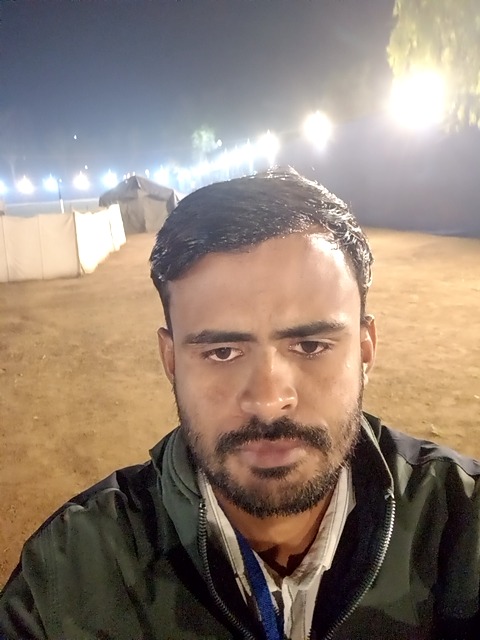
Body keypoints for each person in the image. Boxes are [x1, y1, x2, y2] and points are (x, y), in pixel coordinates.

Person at [0, 168, 479, 640]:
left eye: (311, 345)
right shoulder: (66, 578)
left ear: (365, 350)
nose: (268, 402)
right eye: (222, 352)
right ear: (171, 360)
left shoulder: (464, 526)